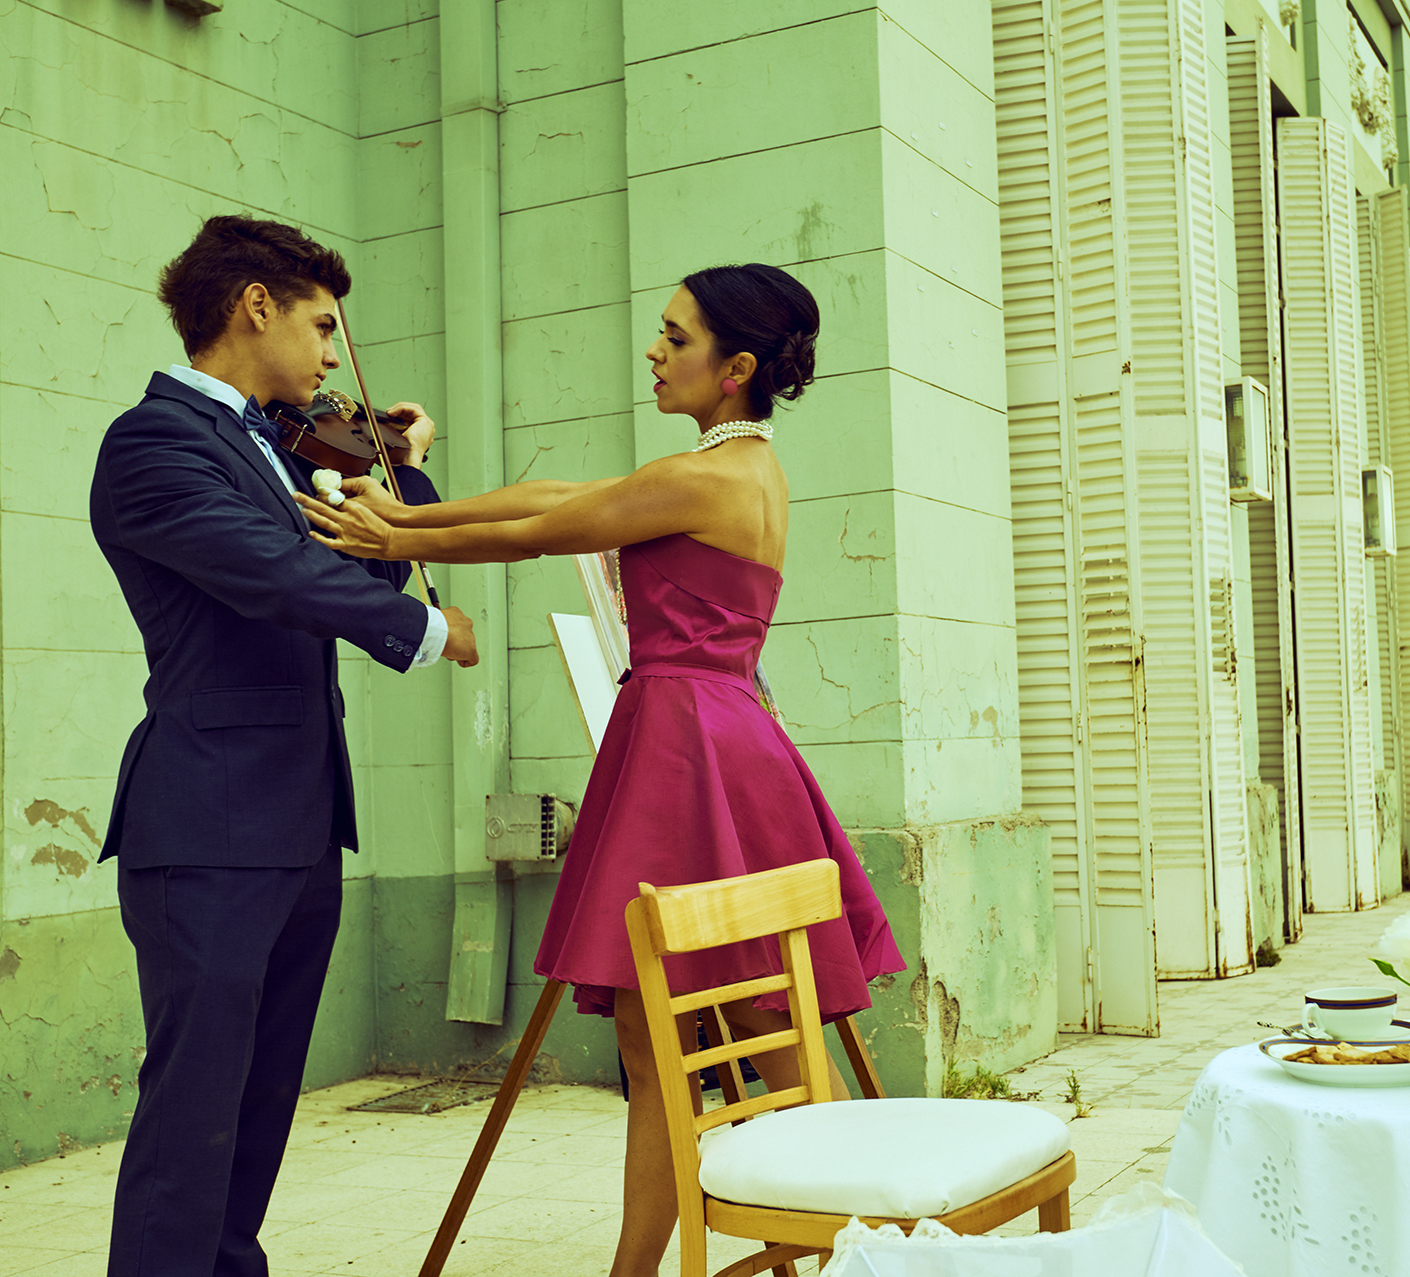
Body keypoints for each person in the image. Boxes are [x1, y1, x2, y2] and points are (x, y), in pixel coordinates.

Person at [299, 262, 905, 1277]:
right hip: (705, 740)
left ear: (736, 367)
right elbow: (557, 495)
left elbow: (543, 531)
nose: (654, 350)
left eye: (677, 337)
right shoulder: (730, 466)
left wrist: (397, 526)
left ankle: (869, 1257)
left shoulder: (709, 477)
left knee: (768, 1030)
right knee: (651, 1030)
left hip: (694, 749)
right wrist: (403, 511)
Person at [91, 214, 479, 1277]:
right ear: (254, 306)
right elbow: (278, 575)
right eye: (322, 326)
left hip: (297, 825)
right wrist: (427, 631)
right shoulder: (155, 442)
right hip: (208, 825)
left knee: (256, 1110)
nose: (331, 357)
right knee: (193, 1120)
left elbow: (363, 565)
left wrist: (401, 469)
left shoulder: (274, 444)